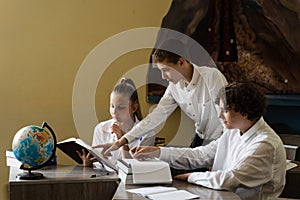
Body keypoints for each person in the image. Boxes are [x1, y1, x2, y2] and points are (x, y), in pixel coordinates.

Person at [130, 81, 286, 200]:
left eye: (225, 110)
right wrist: (157, 152)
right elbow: (201, 155)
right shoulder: (233, 132)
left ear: (244, 112)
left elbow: (228, 179)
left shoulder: (265, 144)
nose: (219, 116)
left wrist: (190, 176)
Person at [98, 39, 228, 157]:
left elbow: (225, 118)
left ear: (181, 62)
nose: (163, 77)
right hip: (200, 138)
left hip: (221, 139)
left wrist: (221, 154)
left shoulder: (212, 77)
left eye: (166, 70)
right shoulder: (174, 87)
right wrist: (122, 141)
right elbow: (154, 118)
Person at [77, 78, 155, 166]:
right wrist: (89, 164)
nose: (114, 112)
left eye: (121, 107)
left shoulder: (147, 134)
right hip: (105, 179)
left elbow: (133, 168)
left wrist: (121, 139)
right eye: (112, 106)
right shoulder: (101, 129)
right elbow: (99, 165)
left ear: (134, 108)